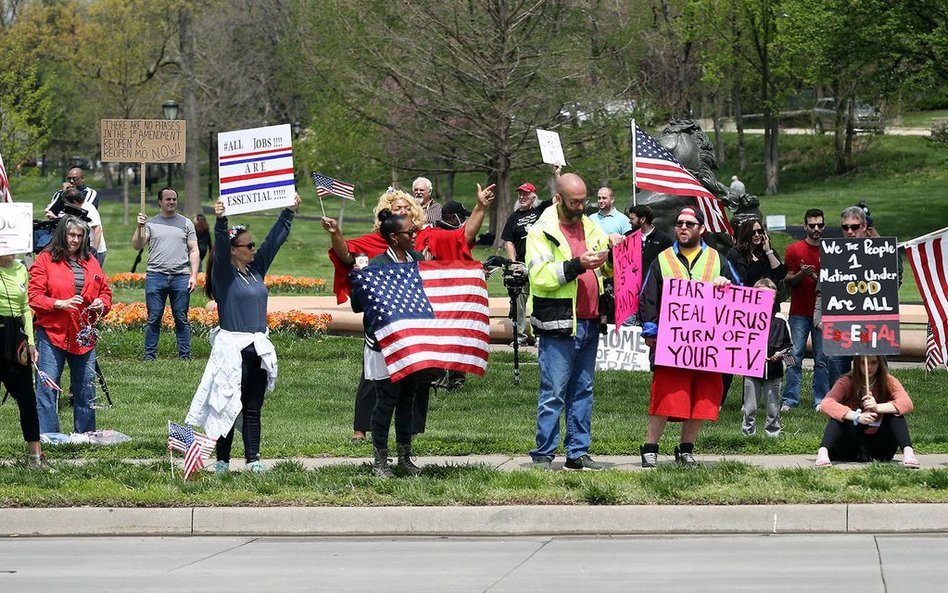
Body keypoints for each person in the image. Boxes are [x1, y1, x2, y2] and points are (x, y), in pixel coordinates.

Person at [324, 185, 494, 442]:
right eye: (396, 209)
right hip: (383, 326)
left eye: (407, 208)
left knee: (418, 375)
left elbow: (463, 237)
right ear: (387, 215)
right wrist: (336, 233)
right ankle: (362, 428)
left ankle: (409, 434)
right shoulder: (374, 243)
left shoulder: (426, 238)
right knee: (375, 378)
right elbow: (347, 254)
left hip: (415, 323)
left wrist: (480, 207)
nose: (403, 212)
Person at [186, 194, 300, 475]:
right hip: (232, 348)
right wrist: (221, 220)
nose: (253, 248)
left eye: (252, 244)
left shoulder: (255, 270)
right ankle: (223, 461)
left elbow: (273, 242)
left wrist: (289, 212)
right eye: (248, 245)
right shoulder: (224, 275)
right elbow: (221, 242)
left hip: (257, 347)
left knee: (252, 406)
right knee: (227, 405)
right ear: (233, 250)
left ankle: (253, 459)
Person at [527, 172, 614, 471]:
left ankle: (578, 452)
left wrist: (614, 249)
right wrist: (578, 264)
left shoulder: (589, 224)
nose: (581, 207)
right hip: (559, 322)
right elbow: (539, 276)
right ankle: (543, 454)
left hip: (589, 319)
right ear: (558, 199)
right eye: (575, 202)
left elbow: (608, 269)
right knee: (553, 391)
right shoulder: (541, 231)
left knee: (583, 390)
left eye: (583, 201)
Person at [638, 206, 738, 467]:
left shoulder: (719, 260)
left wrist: (727, 286)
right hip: (671, 345)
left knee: (701, 399)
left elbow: (742, 295)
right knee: (665, 397)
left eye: (689, 224)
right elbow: (648, 297)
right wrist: (650, 331)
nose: (683, 227)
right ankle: (650, 449)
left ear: (701, 229)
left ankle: (686, 449)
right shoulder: (662, 260)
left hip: (707, 347)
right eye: (679, 223)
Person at [351, 208, 427, 478]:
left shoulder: (418, 259)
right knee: (386, 401)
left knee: (408, 400)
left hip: (411, 342)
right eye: (410, 232)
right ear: (395, 237)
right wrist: (358, 281)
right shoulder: (377, 265)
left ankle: (405, 457)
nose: (415, 235)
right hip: (384, 344)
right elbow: (358, 306)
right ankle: (380, 461)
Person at [28, 216, 112, 434]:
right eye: (71, 234)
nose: (75, 240)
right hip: (52, 333)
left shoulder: (91, 260)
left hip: (83, 334)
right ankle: (49, 436)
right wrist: (59, 303)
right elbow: (34, 297)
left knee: (85, 388)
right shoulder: (45, 259)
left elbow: (105, 292)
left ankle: (85, 435)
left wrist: (100, 303)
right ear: (62, 235)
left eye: (79, 235)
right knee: (47, 387)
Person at [721, 218, 787, 404]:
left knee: (756, 358)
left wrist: (768, 251)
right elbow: (738, 281)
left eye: (760, 231)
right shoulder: (735, 254)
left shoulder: (766, 254)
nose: (758, 235)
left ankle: (748, 401)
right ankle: (719, 400)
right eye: (754, 232)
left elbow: (780, 274)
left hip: (767, 311)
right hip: (744, 312)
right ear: (746, 234)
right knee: (731, 357)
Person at [131, 187, 200, 361]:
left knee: (181, 318)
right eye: (168, 199)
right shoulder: (150, 223)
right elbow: (137, 245)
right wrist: (139, 226)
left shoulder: (186, 223)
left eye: (174, 199)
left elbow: (194, 250)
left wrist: (193, 275)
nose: (171, 202)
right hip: (156, 275)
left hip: (180, 276)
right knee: (154, 318)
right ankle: (149, 356)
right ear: (160, 202)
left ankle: (185, 356)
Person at [815, 355, 918, 468]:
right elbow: (826, 404)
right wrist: (856, 416)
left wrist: (878, 407)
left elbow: (907, 403)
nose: (869, 367)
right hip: (850, 446)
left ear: (880, 364)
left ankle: (908, 453)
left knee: (896, 413)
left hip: (880, 447)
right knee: (838, 415)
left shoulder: (888, 381)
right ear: (857, 364)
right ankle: (823, 452)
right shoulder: (846, 381)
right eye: (864, 363)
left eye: (874, 363)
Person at [0, 252, 48, 467]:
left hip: (16, 337)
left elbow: (26, 307)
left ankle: (35, 456)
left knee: (27, 398)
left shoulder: (21, 269)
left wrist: (30, 342)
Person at [780, 209, 829, 411]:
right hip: (799, 311)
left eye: (819, 225)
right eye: (812, 225)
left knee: (822, 359)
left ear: (824, 226)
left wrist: (818, 278)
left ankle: (821, 399)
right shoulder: (794, 249)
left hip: (823, 313)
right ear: (805, 227)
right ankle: (790, 399)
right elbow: (787, 281)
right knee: (793, 356)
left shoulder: (831, 250)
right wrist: (802, 273)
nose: (816, 229)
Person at [501, 182, 552, 346]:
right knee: (519, 303)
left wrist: (557, 173)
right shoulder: (513, 218)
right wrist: (514, 263)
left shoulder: (540, 211)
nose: (522, 197)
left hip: (541, 264)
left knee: (539, 301)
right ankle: (520, 337)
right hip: (521, 265)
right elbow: (508, 242)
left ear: (533, 197)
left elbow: (559, 198)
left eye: (526, 194)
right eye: (520, 194)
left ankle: (539, 336)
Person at [741, 278, 792, 437]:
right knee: (750, 407)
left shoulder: (780, 319)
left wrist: (781, 356)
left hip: (774, 372)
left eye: (770, 296)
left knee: (773, 407)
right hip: (751, 371)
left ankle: (773, 435)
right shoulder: (746, 317)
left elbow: (790, 347)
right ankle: (747, 435)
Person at [61, 188, 107, 267]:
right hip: (84, 250)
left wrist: (94, 251)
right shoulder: (77, 209)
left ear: (74, 202)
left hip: (96, 251)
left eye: (67, 203)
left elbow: (97, 229)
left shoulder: (88, 208)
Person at [627, 204, 674, 271]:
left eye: (632, 219)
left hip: (654, 280)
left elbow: (670, 264)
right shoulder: (627, 237)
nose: (629, 221)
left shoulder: (664, 240)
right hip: (632, 280)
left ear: (642, 219)